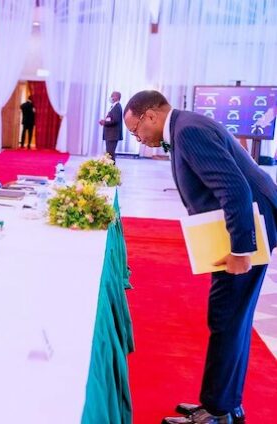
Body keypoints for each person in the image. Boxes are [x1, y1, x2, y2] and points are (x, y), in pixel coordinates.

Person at [123, 90, 277, 424]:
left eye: (137, 131)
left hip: (248, 228)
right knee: (232, 318)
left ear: (150, 115)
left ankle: (218, 412)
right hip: (244, 222)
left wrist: (241, 250)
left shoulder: (188, 130)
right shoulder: (184, 126)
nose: (139, 140)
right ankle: (224, 404)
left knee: (226, 317)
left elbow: (236, 189)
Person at [99, 91, 123, 162]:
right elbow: (111, 119)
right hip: (110, 134)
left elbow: (115, 120)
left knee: (110, 153)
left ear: (117, 97)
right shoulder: (114, 106)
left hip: (113, 134)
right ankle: (111, 169)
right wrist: (105, 121)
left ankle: (112, 170)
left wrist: (104, 122)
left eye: (112, 96)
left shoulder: (117, 107)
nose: (111, 97)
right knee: (109, 153)